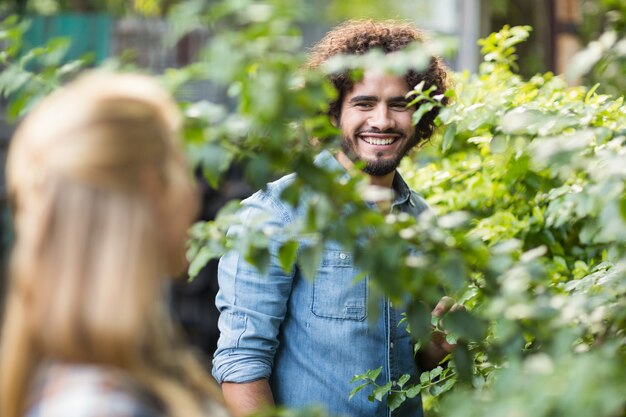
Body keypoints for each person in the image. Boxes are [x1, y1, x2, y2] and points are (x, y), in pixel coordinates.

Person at [212, 20, 453, 417]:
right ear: (334, 112)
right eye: (363, 103)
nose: (382, 121)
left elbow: (408, 359)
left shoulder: (422, 220)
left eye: (399, 104)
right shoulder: (276, 213)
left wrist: (434, 350)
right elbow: (241, 364)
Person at [0, 72, 228, 417]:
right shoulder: (101, 404)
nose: (194, 191)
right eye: (183, 166)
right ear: (153, 190)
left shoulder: (117, 373)